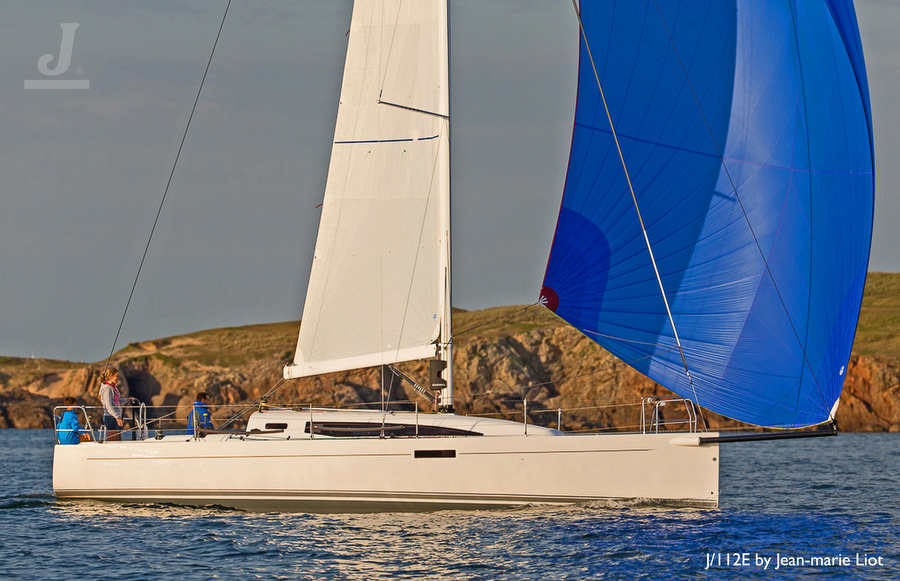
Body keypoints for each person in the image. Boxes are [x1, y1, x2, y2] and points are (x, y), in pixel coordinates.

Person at [99, 368, 124, 441]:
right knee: (113, 440)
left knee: (117, 439)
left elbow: (116, 401)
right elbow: (109, 405)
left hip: (115, 416)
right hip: (111, 417)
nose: (118, 378)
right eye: (117, 376)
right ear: (111, 377)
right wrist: (117, 417)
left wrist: (126, 400)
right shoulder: (107, 389)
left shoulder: (113, 388)